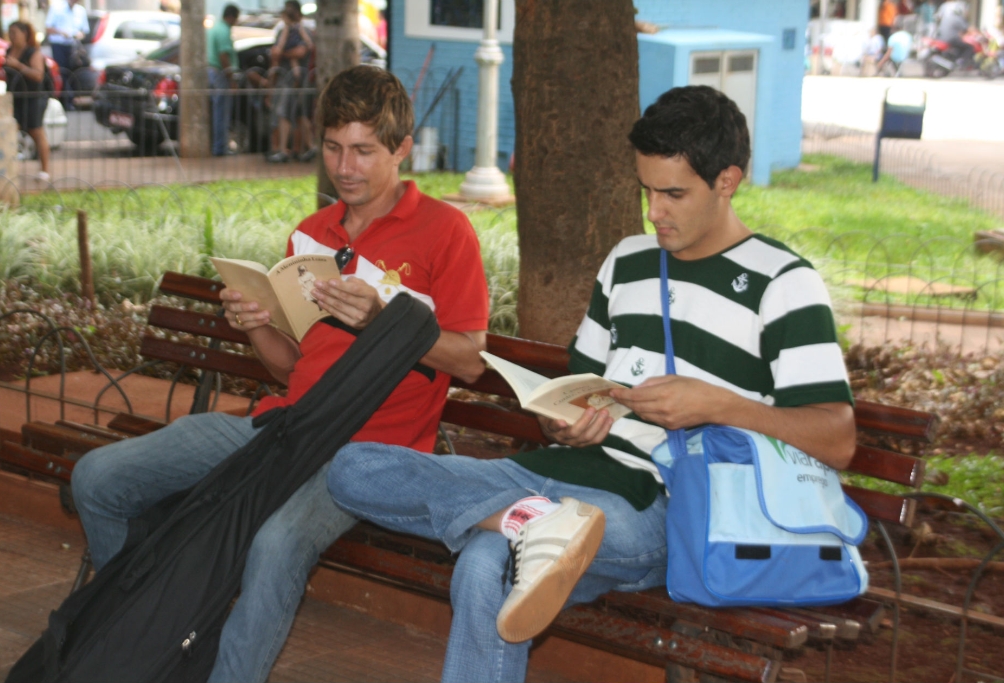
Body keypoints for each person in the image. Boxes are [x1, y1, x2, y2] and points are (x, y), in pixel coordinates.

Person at [326, 84, 856, 683]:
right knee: (351, 468)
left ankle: (525, 522)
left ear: (728, 181)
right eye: (646, 191)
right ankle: (531, 520)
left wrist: (717, 404)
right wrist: (562, 422)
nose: (654, 211)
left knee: (482, 567)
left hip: (657, 501)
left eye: (673, 193)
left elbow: (836, 438)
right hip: (555, 475)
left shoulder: (783, 282)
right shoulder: (626, 261)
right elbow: (578, 388)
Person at [69, 65, 490, 683]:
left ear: (401, 149)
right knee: (99, 477)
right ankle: (151, 629)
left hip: (370, 453)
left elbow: (471, 361)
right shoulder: (313, 235)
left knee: (273, 545)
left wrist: (384, 322)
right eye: (332, 147)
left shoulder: (444, 231)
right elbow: (292, 366)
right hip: (285, 427)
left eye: (364, 151)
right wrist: (256, 323)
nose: (344, 167)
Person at [267, 0, 317, 163]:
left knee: (296, 113)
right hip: (286, 79)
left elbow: (301, 52)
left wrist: (284, 55)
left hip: (299, 80)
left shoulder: (304, 31)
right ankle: (292, 148)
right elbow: (276, 52)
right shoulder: (283, 31)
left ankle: (301, 148)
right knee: (288, 113)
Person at [4, 21, 51, 182]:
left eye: (15, 32)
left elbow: (38, 75)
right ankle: (7, 168)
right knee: (10, 131)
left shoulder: (33, 53)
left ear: (25, 34)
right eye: (10, 32)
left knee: (36, 131)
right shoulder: (9, 50)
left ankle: (45, 170)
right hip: (15, 97)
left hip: (33, 97)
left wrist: (17, 65)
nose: (12, 36)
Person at [207, 4, 240, 156]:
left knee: (217, 112)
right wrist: (231, 78)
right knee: (222, 113)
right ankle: (220, 148)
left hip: (212, 72)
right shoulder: (224, 31)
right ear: (232, 17)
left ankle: (218, 146)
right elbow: (223, 56)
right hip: (220, 74)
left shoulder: (215, 28)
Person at [44, 0, 88, 111]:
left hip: (73, 46)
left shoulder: (80, 10)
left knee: (73, 73)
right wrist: (61, 32)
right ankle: (65, 101)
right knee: (62, 72)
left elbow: (84, 30)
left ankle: (72, 100)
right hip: (59, 45)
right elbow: (49, 28)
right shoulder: (57, 7)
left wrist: (79, 35)